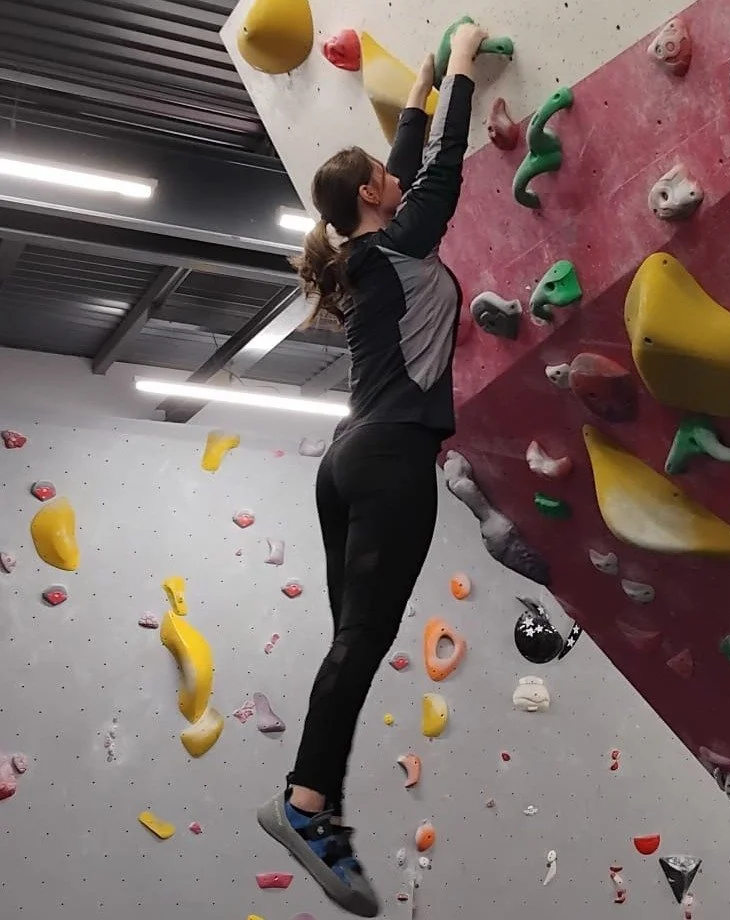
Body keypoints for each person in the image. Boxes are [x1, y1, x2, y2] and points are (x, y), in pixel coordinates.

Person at [256, 21, 489, 919]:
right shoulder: (400, 241)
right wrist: (461, 68)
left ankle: (320, 803)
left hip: (349, 459)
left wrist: (423, 79)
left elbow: (402, 157)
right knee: (357, 640)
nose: (400, 176)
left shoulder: (367, 249)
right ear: (371, 196)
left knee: (351, 642)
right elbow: (444, 167)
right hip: (389, 459)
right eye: (387, 180)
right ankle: (306, 806)